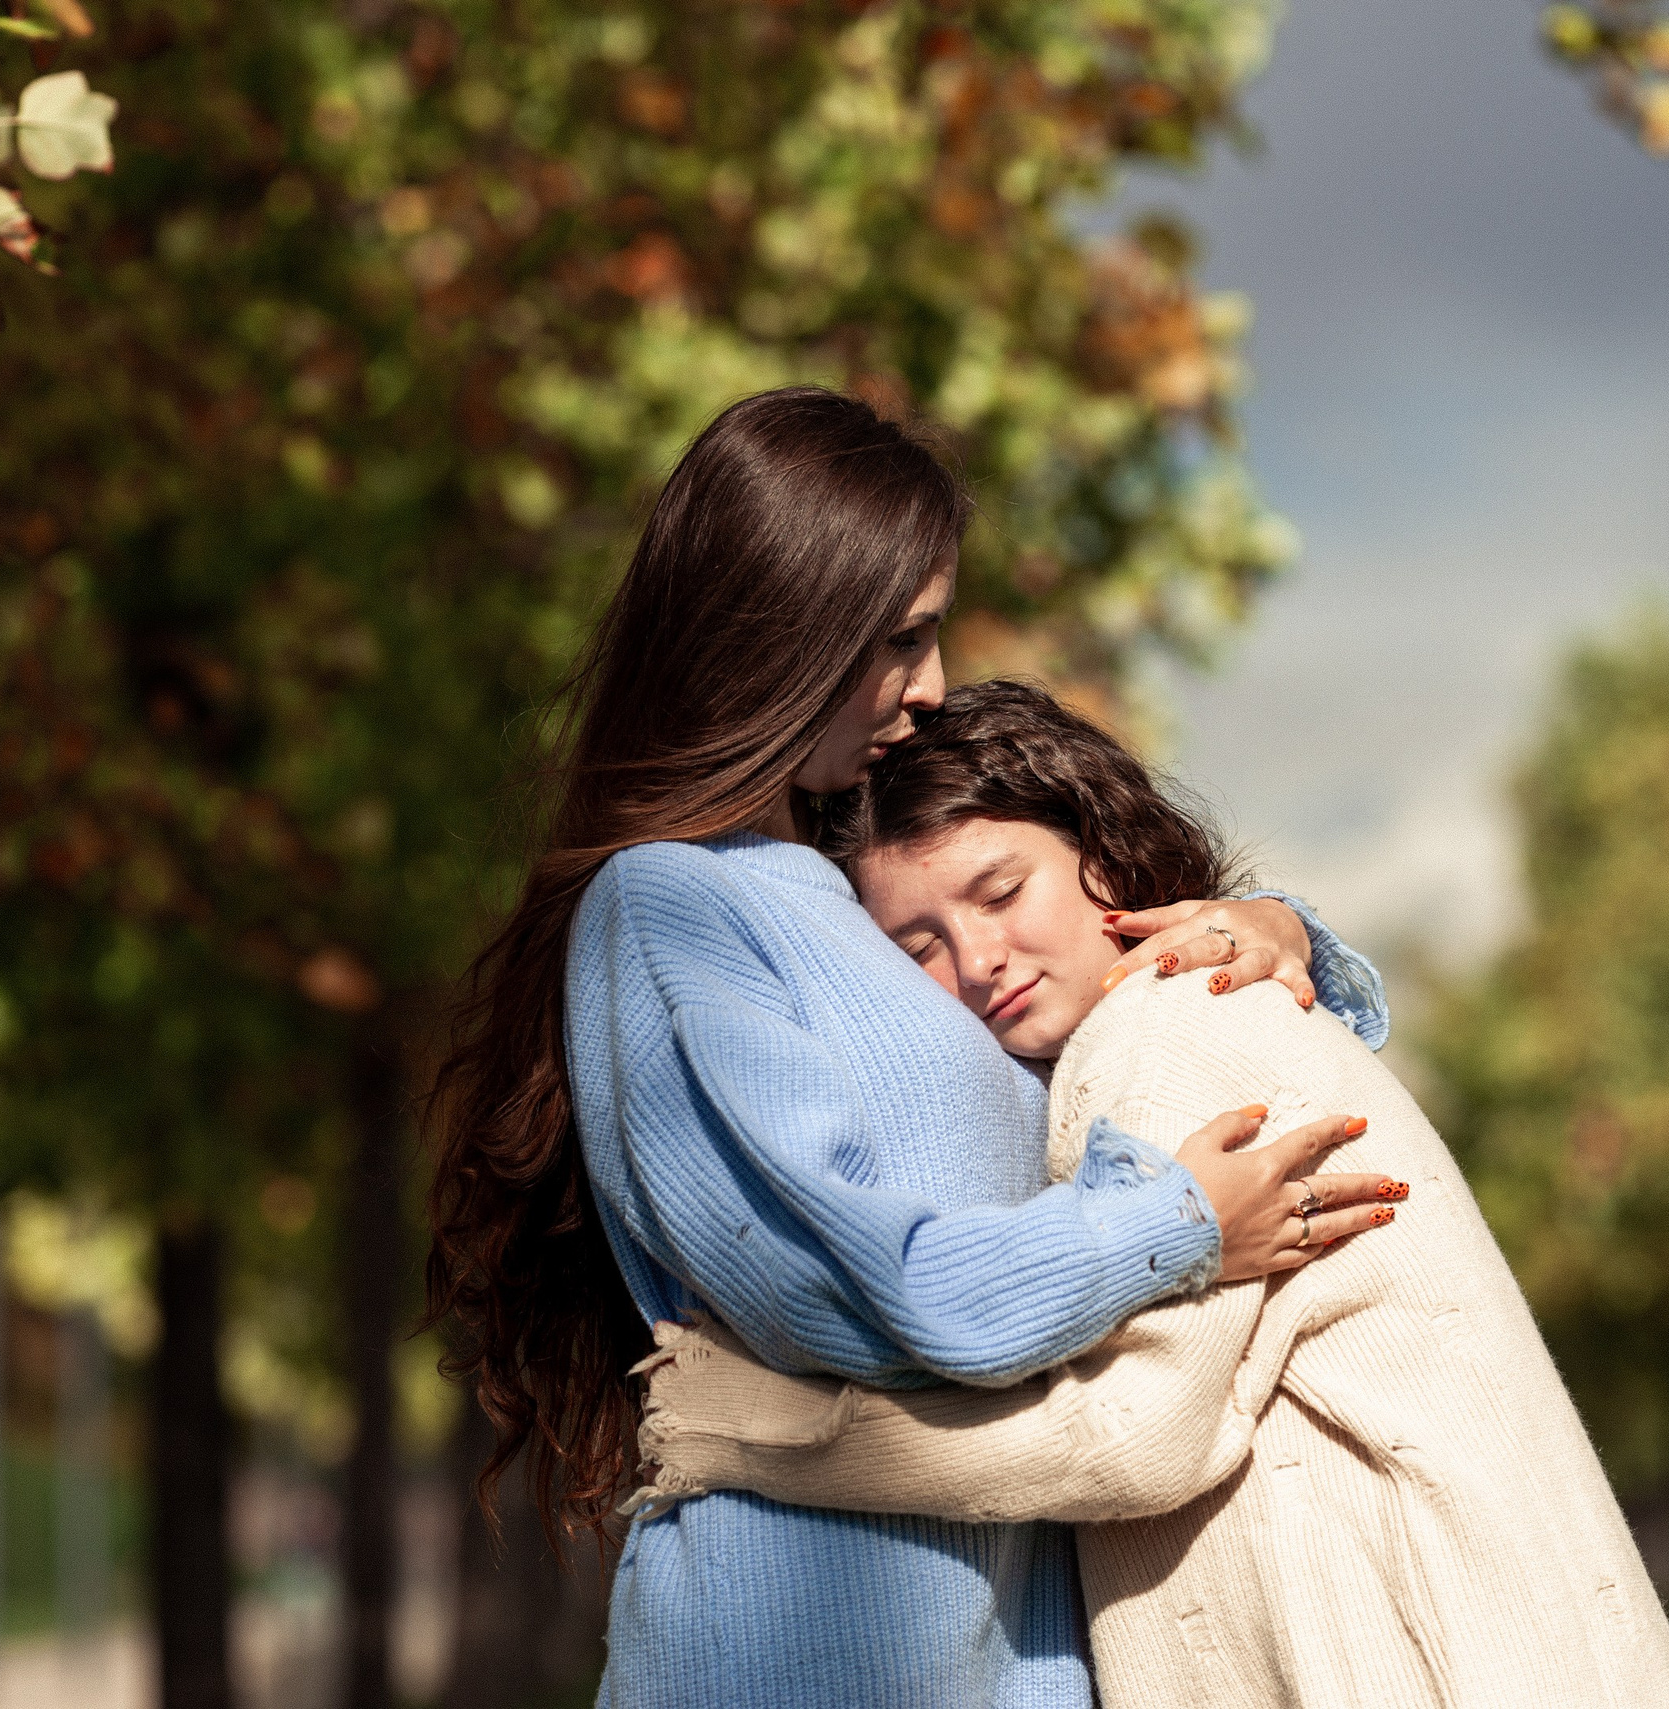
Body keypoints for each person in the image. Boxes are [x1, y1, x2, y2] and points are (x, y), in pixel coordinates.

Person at [426, 387, 1396, 1708]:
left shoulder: (869, 897)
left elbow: (1106, 1064)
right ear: (785, 631)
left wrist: (1276, 933)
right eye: (900, 639)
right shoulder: (669, 911)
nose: (930, 686)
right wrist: (1168, 1230)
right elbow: (859, 1288)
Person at [629, 680, 1669, 1709]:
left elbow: (1134, 1435)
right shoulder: (1178, 1018)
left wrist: (754, 1429)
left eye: (1001, 892)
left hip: (1415, 1655)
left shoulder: (1163, 1031)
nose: (977, 958)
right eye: (919, 946)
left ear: (1099, 846)